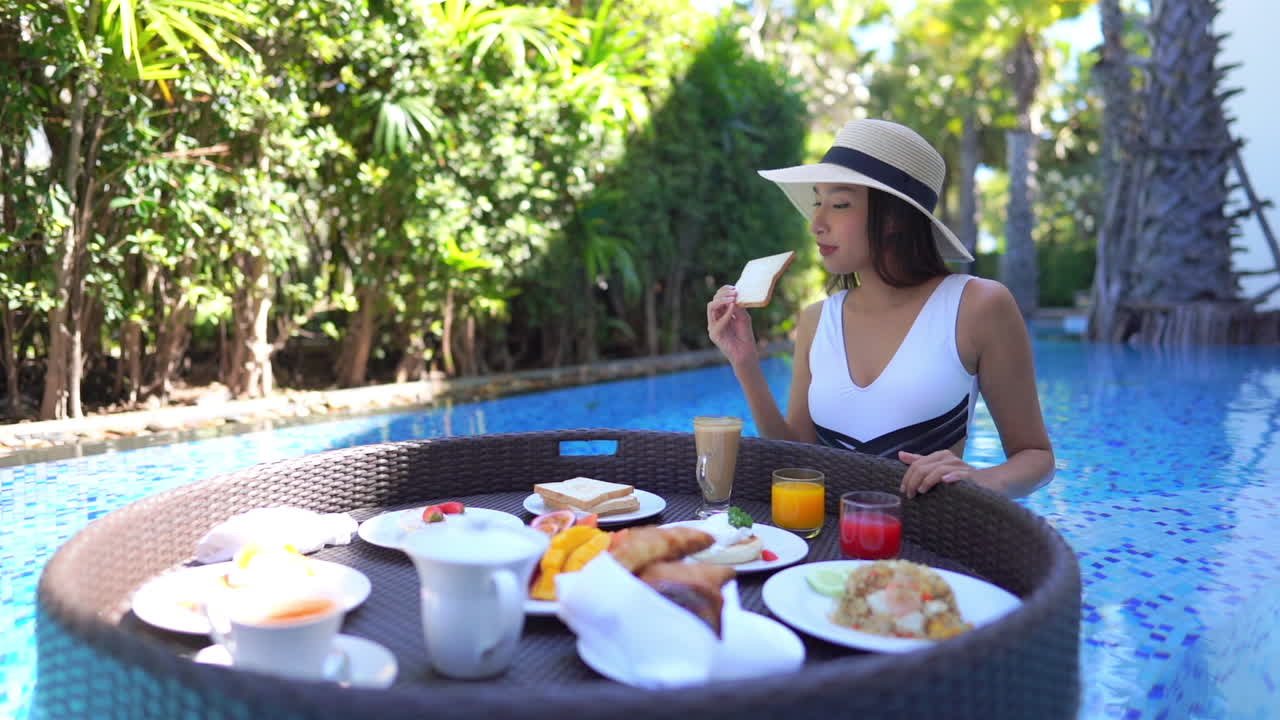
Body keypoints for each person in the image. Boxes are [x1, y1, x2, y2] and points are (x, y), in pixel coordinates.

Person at [706, 118, 1054, 498]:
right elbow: (798, 460)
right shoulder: (817, 320)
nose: (816, 224)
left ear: (893, 217)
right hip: (828, 550)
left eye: (839, 204)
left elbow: (1035, 456)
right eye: (817, 202)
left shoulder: (977, 306)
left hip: (929, 549)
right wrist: (744, 362)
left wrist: (981, 480)